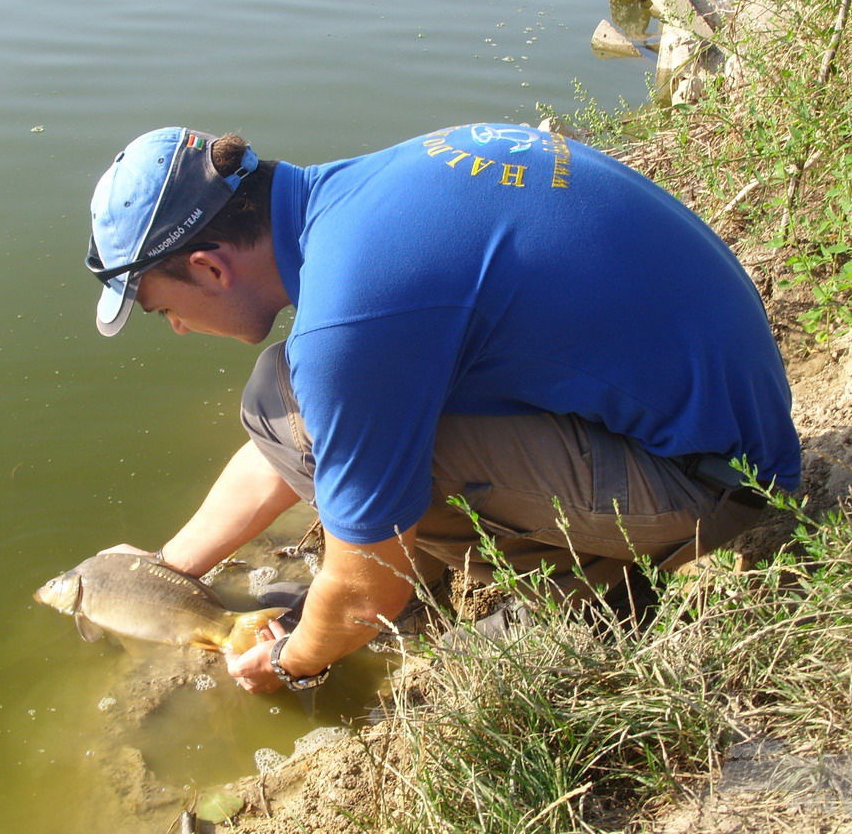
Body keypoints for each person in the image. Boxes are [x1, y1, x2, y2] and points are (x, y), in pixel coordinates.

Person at [84, 123, 801, 694]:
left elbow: (365, 593)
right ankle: (494, 553)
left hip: (715, 486)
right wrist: (164, 572)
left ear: (208, 266)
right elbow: (299, 423)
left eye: (159, 308)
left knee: (332, 443)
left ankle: (594, 591)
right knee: (284, 397)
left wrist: (292, 662)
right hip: (723, 424)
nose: (175, 326)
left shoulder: (351, 318)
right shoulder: (363, 196)